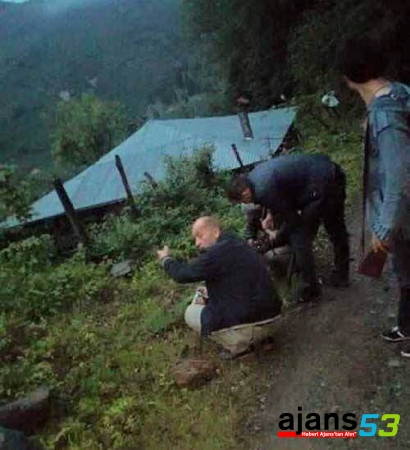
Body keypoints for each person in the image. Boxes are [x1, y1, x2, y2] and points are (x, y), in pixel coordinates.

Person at [336, 36, 410, 357]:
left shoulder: (385, 115)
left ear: (349, 77)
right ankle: (406, 325)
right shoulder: (400, 93)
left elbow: (399, 176)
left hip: (404, 214)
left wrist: (383, 227)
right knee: (405, 272)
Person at [227, 153, 350, 302]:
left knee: (302, 238)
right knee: (324, 230)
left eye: (243, 201)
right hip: (323, 172)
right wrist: (270, 214)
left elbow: (292, 218)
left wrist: (277, 236)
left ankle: (314, 288)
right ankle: (337, 275)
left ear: (245, 193)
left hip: (326, 184)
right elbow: (281, 193)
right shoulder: (253, 177)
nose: (246, 204)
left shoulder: (262, 190)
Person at [156, 216, 282, 355]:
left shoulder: (216, 254)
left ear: (215, 231)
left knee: (190, 313)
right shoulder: (238, 242)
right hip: (275, 317)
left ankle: (238, 346)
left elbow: (182, 274)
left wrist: (166, 259)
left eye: (200, 236)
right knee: (206, 292)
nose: (197, 243)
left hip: (250, 326)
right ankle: (264, 339)